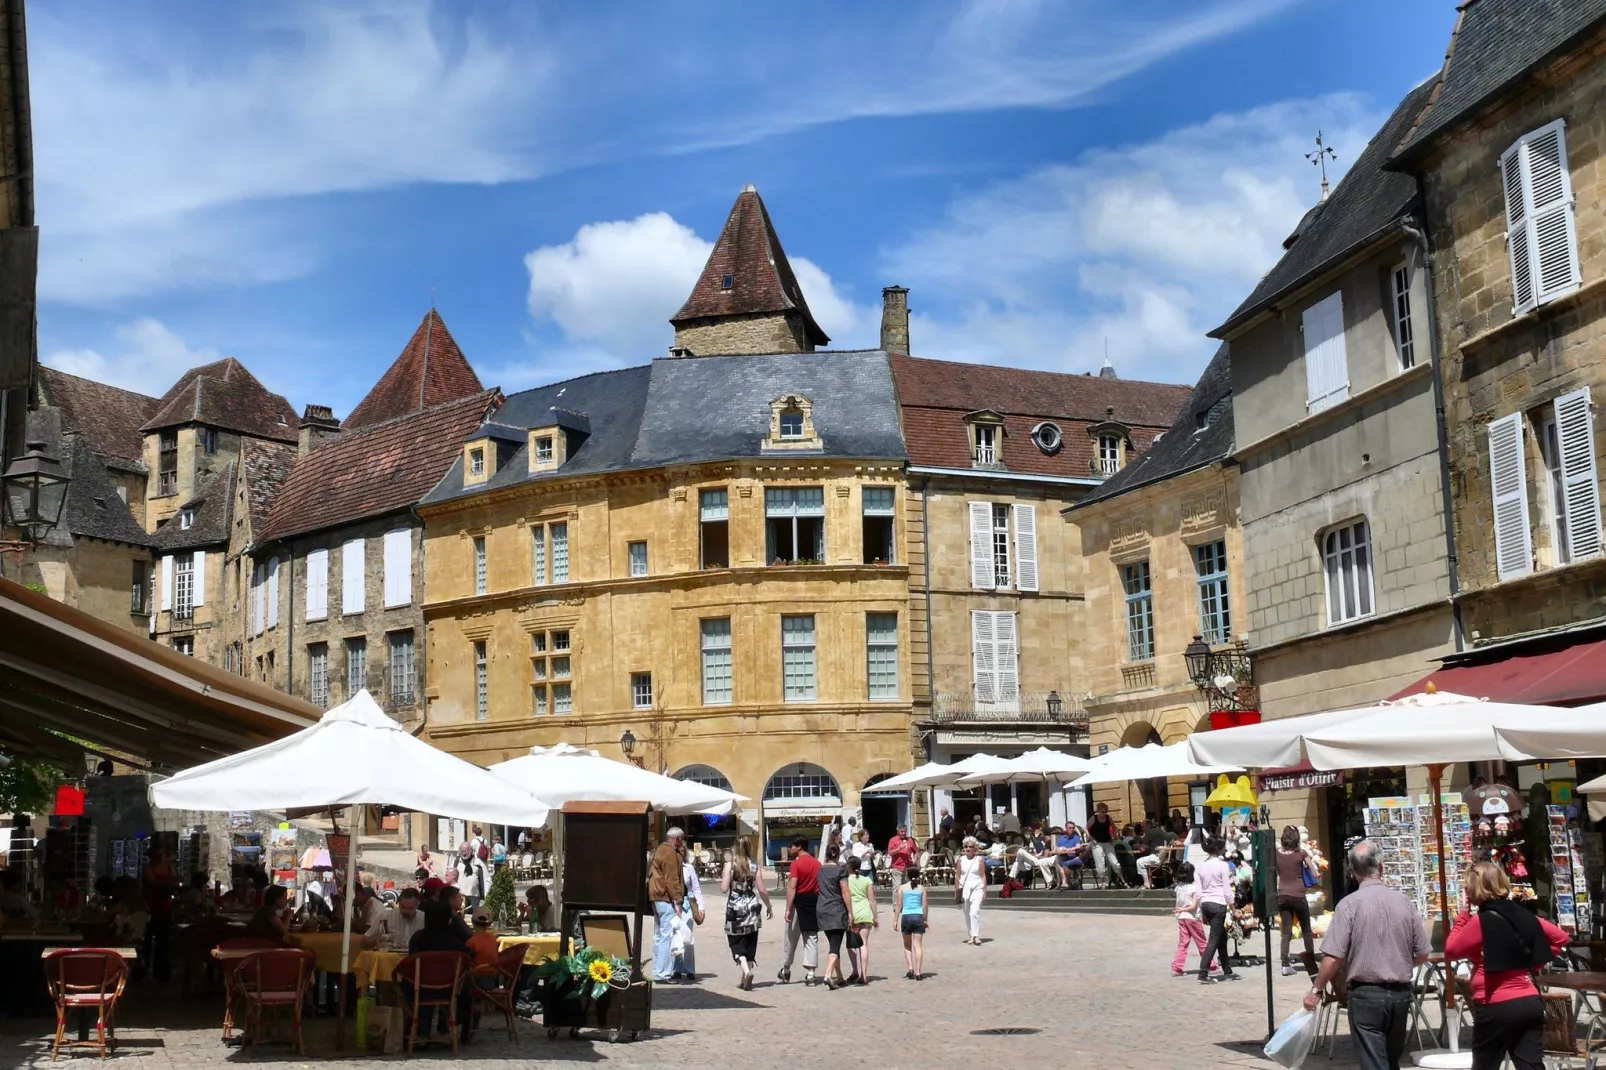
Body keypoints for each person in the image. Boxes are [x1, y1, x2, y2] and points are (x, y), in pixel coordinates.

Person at [1303, 841, 1431, 1070]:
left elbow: (1333, 957)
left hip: (1366, 995)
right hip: (1400, 994)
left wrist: (1317, 989)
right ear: (1381, 866)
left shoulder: (1348, 905)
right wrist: (1401, 962)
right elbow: (1423, 953)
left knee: (1374, 1063)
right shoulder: (1404, 902)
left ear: (1352, 872)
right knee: (1390, 1061)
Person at [1444, 861, 1569, 1070]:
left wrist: (1463, 916)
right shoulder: (1526, 915)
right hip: (1529, 1001)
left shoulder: (1479, 922)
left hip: (1495, 1003)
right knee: (1531, 1065)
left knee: (1485, 1065)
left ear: (1474, 889)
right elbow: (1561, 938)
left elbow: (1451, 951)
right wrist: (1532, 964)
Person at [403, 904, 471, 1046]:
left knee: (407, 985)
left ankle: (416, 1032)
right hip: (448, 990)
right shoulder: (454, 942)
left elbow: (411, 959)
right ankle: (448, 1028)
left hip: (419, 989)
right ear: (448, 921)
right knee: (465, 987)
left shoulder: (418, 938)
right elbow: (469, 957)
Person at [721, 838, 772, 991]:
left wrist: (726, 877)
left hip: (735, 909)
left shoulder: (730, 866)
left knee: (735, 942)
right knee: (750, 941)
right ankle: (744, 980)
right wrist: (768, 905)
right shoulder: (754, 866)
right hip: (752, 906)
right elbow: (762, 889)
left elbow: (724, 888)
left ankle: (747, 971)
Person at [1275, 825, 1320, 978]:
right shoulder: (1301, 853)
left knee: (1286, 932)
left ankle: (1285, 964)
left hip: (1282, 894)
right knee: (1306, 929)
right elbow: (1314, 872)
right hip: (1298, 894)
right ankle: (1311, 960)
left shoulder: (1276, 854)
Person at [1195, 836, 1239, 984]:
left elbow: (1199, 891)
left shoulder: (1200, 865)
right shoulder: (1222, 865)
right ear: (1219, 849)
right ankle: (1203, 972)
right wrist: (1233, 909)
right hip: (1218, 903)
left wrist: (1202, 907)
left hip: (1206, 903)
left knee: (1222, 936)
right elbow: (1227, 890)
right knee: (1214, 939)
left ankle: (1227, 970)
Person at [778, 836, 821, 986]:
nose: (789, 849)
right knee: (811, 937)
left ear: (799, 847)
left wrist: (788, 908)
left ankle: (786, 968)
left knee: (791, 936)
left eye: (791, 846)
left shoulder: (796, 864)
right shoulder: (817, 864)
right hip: (813, 901)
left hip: (799, 901)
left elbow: (792, 887)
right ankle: (811, 973)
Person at [648, 827, 687, 983]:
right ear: (677, 839)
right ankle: (663, 973)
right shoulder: (670, 853)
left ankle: (658, 970)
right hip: (665, 898)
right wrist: (678, 900)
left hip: (656, 897)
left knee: (659, 936)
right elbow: (672, 880)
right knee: (666, 936)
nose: (682, 842)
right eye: (682, 839)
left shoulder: (660, 850)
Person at [1170, 862, 1218, 977]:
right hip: (1192, 918)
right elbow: (1193, 907)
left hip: (1181, 918)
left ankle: (1177, 967)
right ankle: (1211, 965)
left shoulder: (1178, 888)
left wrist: (1180, 909)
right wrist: (1184, 909)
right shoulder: (1195, 888)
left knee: (1183, 943)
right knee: (1202, 942)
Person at [814, 845, 851, 989]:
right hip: (836, 909)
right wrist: (850, 912)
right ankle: (828, 976)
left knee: (833, 944)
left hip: (822, 908)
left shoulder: (820, 870)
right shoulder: (840, 870)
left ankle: (840, 977)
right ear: (837, 855)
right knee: (835, 946)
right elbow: (845, 892)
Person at [673, 836, 704, 981]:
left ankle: (689, 969)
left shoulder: (689, 868)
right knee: (676, 937)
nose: (680, 853)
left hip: (687, 904)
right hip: (674, 905)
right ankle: (676, 969)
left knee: (688, 938)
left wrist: (701, 907)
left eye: (682, 851)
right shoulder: (671, 868)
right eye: (678, 850)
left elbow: (696, 888)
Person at [847, 857, 879, 985]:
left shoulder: (846, 880)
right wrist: (875, 917)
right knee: (864, 944)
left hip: (852, 913)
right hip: (865, 912)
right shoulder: (867, 880)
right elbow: (872, 900)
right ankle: (864, 974)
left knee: (850, 945)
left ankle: (854, 969)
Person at [956, 836, 987, 946]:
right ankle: (971, 935)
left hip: (977, 886)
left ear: (975, 848)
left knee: (975, 911)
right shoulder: (960, 860)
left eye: (971, 846)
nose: (968, 848)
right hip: (965, 888)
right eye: (966, 846)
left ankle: (976, 935)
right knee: (967, 912)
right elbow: (958, 876)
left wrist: (984, 890)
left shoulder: (979, 860)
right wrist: (957, 891)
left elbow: (983, 875)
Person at [900, 868, 928, 980]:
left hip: (906, 916)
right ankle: (918, 972)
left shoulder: (902, 888)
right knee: (918, 945)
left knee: (907, 945)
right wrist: (925, 919)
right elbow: (925, 905)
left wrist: (895, 920)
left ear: (906, 875)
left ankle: (910, 968)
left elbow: (898, 905)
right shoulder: (922, 889)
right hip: (918, 916)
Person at [1088, 803, 1123, 888]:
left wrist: (1114, 836)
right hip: (1097, 843)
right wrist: (1091, 838)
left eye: (1105, 812)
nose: (1104, 814)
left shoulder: (1108, 818)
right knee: (1100, 865)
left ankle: (1122, 878)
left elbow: (1114, 827)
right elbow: (1086, 828)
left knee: (1115, 863)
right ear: (1098, 811)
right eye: (1102, 812)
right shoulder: (1093, 818)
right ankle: (1104, 880)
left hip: (1107, 842)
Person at [1136, 816, 1172, 889]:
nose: (1142, 829)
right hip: (1164, 857)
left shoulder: (1149, 833)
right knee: (1145, 861)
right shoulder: (1159, 830)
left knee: (1139, 862)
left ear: (1149, 825)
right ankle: (1151, 882)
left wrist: (1137, 846)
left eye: (1143, 827)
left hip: (1158, 857)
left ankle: (1146, 883)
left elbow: (1142, 850)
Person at [888, 825, 918, 895]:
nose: (904, 833)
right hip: (897, 867)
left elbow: (915, 851)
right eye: (902, 831)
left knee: (907, 888)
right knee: (897, 888)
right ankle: (896, 905)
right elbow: (890, 853)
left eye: (905, 831)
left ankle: (905, 904)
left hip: (908, 867)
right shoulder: (893, 840)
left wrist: (915, 860)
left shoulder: (910, 840)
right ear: (898, 831)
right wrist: (899, 848)